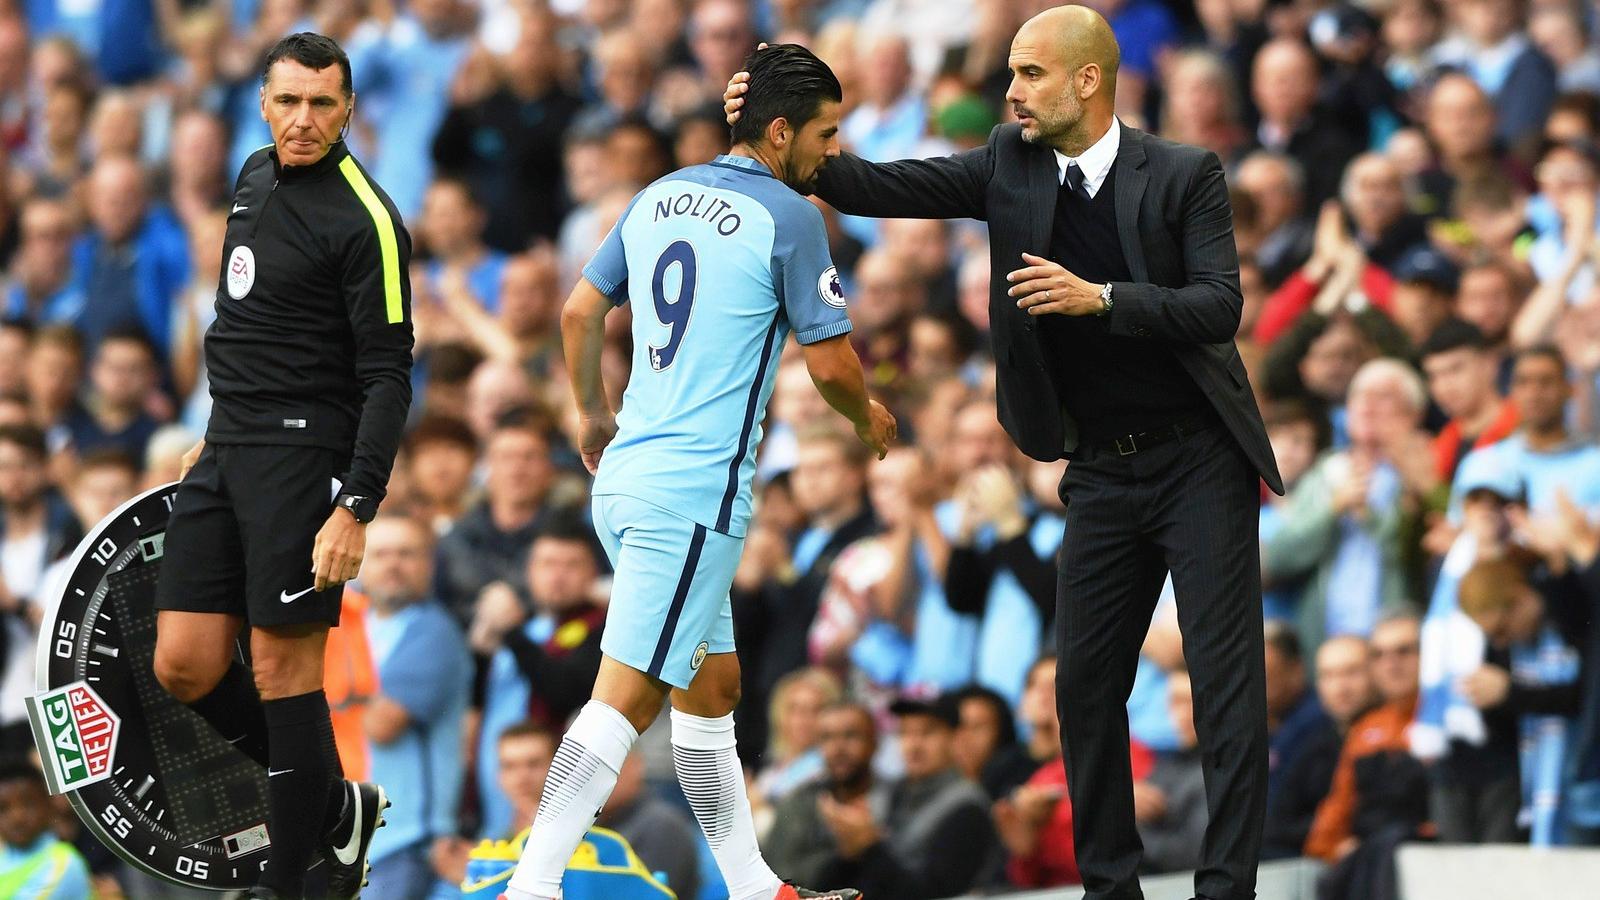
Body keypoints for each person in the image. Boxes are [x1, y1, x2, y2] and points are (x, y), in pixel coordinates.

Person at [729, 9, 1281, 899]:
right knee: (1083, 693)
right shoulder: (1008, 161)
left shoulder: (1185, 173)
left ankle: (1226, 891)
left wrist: (1099, 299)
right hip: (1097, 467)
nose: (1012, 91)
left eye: (1029, 73)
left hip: (1199, 459)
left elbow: (1219, 307)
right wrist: (770, 128)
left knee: (1226, 691)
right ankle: (1114, 890)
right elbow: (871, 184)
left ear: (1088, 81)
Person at [500, 44, 894, 900]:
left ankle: (758, 890)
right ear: (781, 130)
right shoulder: (789, 218)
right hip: (693, 496)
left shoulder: (658, 194)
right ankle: (530, 887)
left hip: (630, 475)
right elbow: (829, 367)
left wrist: (589, 412)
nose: (832, 151)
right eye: (826, 134)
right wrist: (868, 415)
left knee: (711, 691)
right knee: (625, 700)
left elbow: (578, 311)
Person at [148, 33, 414, 900]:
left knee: (281, 673)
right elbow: (243, 319)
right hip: (227, 446)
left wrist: (357, 504)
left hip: (305, 461)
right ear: (263, 104)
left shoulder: (368, 218)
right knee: (182, 665)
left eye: (322, 104)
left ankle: (295, 879)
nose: (304, 120)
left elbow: (388, 375)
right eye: (289, 100)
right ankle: (334, 806)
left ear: (349, 111)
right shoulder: (253, 174)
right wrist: (215, 427)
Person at [359, 515, 472, 900]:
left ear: (429, 565)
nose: (393, 564)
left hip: (404, 840)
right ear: (360, 564)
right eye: (380, 554)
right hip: (355, 838)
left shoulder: (431, 631)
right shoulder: (356, 629)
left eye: (406, 554)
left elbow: (382, 724)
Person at [0, 758, 92, 898]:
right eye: (3, 808)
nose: (17, 818)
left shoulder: (65, 863)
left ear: (49, 804)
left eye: (28, 804)